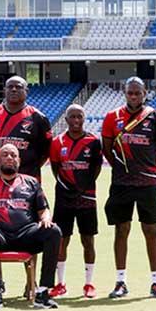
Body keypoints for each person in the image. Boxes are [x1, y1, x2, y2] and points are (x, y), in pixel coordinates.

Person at [101, 77, 156, 299]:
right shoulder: (112, 117)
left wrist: (151, 170)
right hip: (121, 184)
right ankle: (120, 281)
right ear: (125, 93)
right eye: (130, 93)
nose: (134, 96)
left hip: (148, 183)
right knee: (121, 230)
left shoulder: (155, 117)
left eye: (137, 93)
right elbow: (107, 148)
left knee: (151, 230)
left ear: (144, 93)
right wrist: (122, 169)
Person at [0, 144, 62, 309]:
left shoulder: (31, 182)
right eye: (5, 155)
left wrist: (46, 219)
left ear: (19, 161)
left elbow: (43, 210)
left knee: (54, 231)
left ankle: (43, 291)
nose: (9, 158)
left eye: (13, 155)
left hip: (26, 235)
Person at [49, 104, 102, 299]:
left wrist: (84, 185)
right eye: (72, 117)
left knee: (88, 240)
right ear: (66, 119)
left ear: (84, 118)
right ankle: (60, 284)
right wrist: (67, 186)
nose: (76, 120)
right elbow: (55, 168)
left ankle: (89, 284)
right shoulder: (57, 142)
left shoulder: (93, 142)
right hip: (63, 199)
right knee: (62, 241)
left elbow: (96, 168)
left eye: (79, 116)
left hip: (86, 198)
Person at [0, 76, 52, 179]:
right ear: (5, 91)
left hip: (28, 181)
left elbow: (45, 153)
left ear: (26, 91)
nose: (14, 90)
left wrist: (28, 169)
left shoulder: (38, 118)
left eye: (18, 87)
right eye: (10, 87)